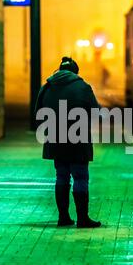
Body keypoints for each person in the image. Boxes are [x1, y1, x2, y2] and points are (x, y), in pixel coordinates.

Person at [34, 57, 102, 228]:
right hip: (78, 141)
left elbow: (37, 113)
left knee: (61, 177)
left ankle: (63, 217)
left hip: (56, 141)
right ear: (75, 72)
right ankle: (82, 218)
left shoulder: (47, 87)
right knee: (80, 177)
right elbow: (96, 113)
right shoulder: (83, 87)